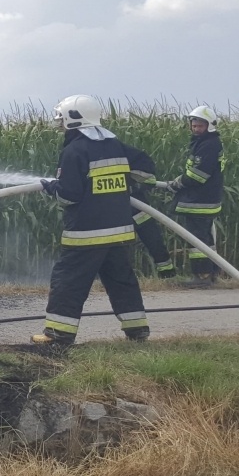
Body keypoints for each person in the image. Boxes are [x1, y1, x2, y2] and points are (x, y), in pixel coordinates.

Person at [33, 95, 149, 344]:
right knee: (121, 281)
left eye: (62, 119)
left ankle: (58, 334)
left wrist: (53, 188)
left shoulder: (75, 150)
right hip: (119, 231)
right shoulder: (115, 144)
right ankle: (137, 330)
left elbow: (70, 196)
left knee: (69, 281)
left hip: (87, 234)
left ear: (74, 119)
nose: (60, 124)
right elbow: (146, 170)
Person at [164, 105, 224, 287]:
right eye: (194, 125)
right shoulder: (205, 143)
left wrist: (177, 184)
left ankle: (202, 276)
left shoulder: (208, 145)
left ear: (210, 126)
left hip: (199, 201)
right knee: (206, 238)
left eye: (200, 126)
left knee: (196, 240)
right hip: (205, 199)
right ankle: (212, 273)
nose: (196, 129)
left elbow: (198, 175)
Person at [124, 146, 177, 278]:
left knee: (153, 239)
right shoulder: (119, 148)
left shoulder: (115, 150)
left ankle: (167, 273)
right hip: (130, 205)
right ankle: (167, 273)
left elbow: (148, 177)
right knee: (152, 239)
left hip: (134, 205)